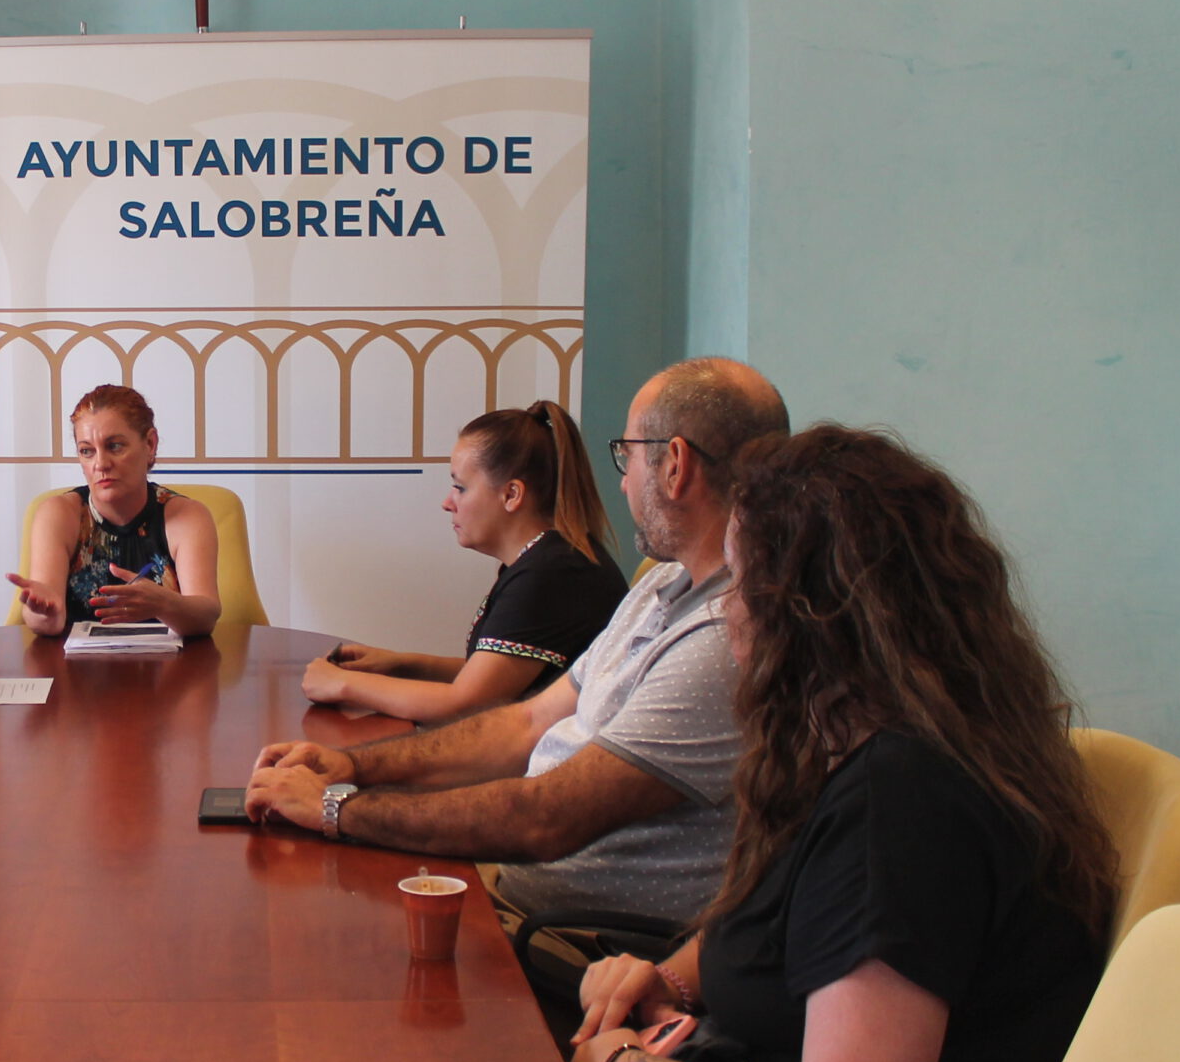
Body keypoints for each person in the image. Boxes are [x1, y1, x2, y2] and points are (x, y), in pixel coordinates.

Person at [564, 425, 1116, 1062]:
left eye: (741, 581)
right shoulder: (875, 748)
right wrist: (672, 981)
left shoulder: (903, 804)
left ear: (809, 612)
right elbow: (794, 924)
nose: (727, 607)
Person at [243, 358, 789, 939]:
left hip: (580, 943)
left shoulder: (723, 637)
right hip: (525, 894)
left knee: (323, 934)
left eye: (626, 456)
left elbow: (544, 818)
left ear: (674, 465)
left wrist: (336, 808)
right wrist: (352, 767)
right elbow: (525, 722)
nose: (623, 481)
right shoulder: (660, 584)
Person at [303, 400, 626, 722]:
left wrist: (342, 684)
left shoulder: (553, 575)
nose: (448, 503)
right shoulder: (552, 560)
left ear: (511, 495)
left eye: (460, 487)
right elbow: (492, 678)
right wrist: (402, 664)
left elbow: (466, 704)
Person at [5, 384, 222, 638]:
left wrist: (164, 603)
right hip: (73, 662)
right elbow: (44, 619)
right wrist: (45, 614)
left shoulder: (187, 517)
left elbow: (206, 617)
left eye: (115, 446)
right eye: (87, 451)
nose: (100, 464)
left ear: (150, 444)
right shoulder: (58, 514)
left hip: (172, 662)